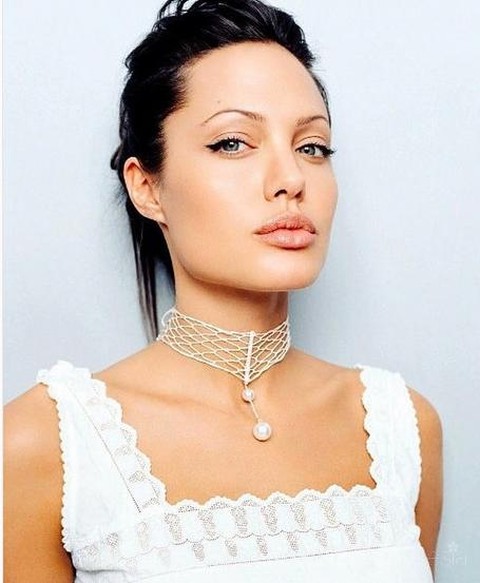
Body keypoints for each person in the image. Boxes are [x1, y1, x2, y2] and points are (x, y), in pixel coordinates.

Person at [4, 0, 443, 581]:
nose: (290, 179)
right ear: (147, 187)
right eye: (233, 143)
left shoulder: (402, 425)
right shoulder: (46, 442)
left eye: (312, 146)